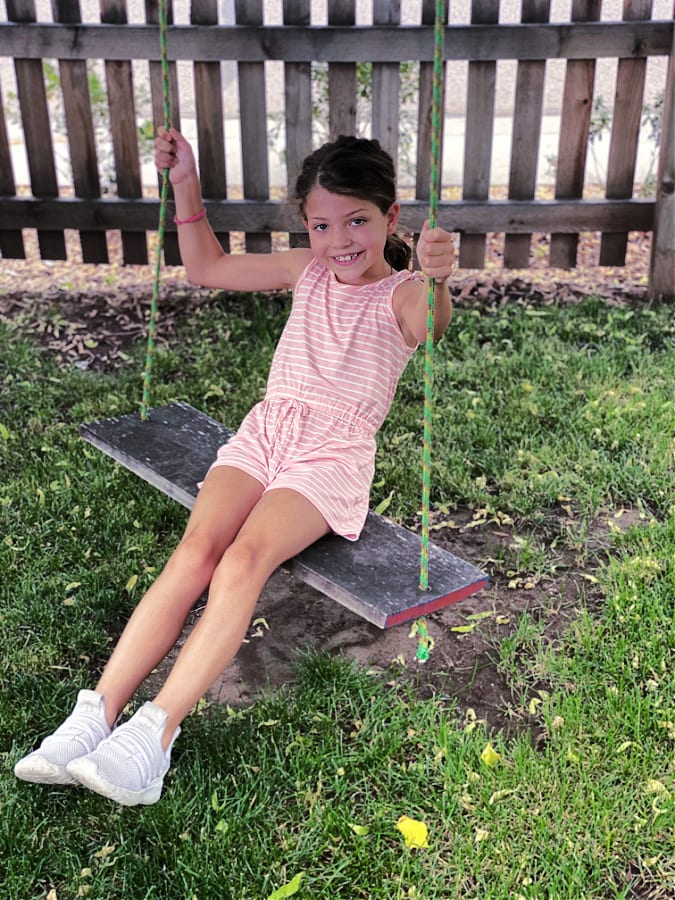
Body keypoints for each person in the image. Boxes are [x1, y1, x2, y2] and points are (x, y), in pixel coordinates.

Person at [14, 128, 456, 806]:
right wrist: (184, 184)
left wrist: (436, 275)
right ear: (306, 225)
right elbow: (205, 268)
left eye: (357, 220)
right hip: (268, 430)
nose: (339, 239)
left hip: (331, 454)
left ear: (389, 217)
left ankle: (152, 737)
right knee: (196, 549)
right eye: (321, 224)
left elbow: (429, 323)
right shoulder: (303, 272)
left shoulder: (398, 294)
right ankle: (94, 716)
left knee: (243, 560)